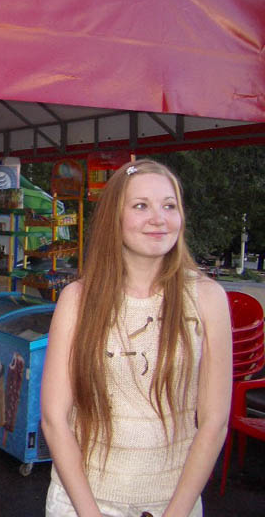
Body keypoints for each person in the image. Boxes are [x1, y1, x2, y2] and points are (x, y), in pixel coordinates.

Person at [40, 159, 232, 517]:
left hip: (173, 504)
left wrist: (176, 512)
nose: (159, 218)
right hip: (82, 503)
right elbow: (54, 419)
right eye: (141, 205)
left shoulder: (208, 298)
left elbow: (214, 421)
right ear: (114, 217)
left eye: (169, 206)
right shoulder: (78, 300)